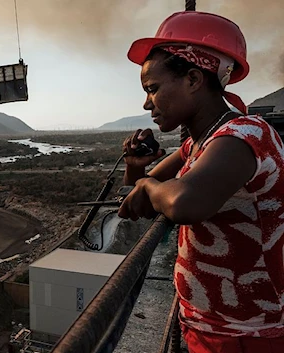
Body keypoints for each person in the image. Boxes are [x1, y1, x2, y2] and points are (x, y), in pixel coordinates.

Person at [117, 11, 284, 353]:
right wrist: (137, 170)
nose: (147, 103)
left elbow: (181, 202)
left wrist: (148, 187)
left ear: (193, 80)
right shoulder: (200, 143)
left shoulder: (244, 137)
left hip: (248, 335)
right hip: (212, 325)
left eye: (153, 89)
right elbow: (148, 193)